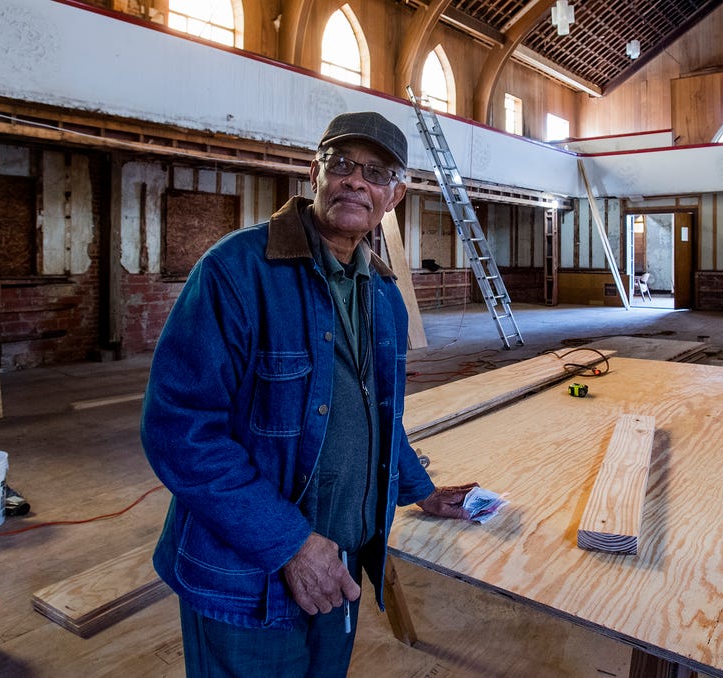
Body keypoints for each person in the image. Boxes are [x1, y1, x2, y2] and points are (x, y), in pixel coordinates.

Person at [141, 111, 475, 677]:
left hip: (340, 567)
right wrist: (291, 544)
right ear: (314, 172)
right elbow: (179, 430)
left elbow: (376, 416)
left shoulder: (384, 296)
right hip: (247, 579)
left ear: (394, 195)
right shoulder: (235, 271)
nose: (355, 181)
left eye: (375, 172)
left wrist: (419, 489)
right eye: (341, 164)